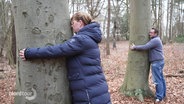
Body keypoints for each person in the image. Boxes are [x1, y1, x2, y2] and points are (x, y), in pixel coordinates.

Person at [19, 12, 111, 104]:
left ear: (80, 22)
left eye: (73, 23)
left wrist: (29, 53)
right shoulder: (90, 38)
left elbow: (57, 50)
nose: (71, 27)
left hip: (89, 93)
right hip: (95, 89)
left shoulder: (81, 39)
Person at [130, 28, 166, 103]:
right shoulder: (156, 39)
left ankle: (159, 97)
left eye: (151, 32)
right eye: (149, 32)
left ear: (155, 33)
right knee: (161, 79)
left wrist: (135, 47)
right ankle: (163, 95)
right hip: (159, 61)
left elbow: (145, 47)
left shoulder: (155, 40)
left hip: (157, 63)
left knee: (157, 80)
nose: (149, 34)